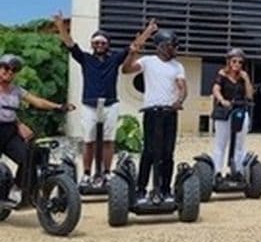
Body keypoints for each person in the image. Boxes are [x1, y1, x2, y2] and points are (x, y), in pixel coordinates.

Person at [53, 12, 156, 187]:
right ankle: (87, 174)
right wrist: (60, 25)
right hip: (90, 104)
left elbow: (134, 47)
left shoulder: (114, 58)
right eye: (96, 43)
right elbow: (70, 43)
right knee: (89, 140)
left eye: (103, 42)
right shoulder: (85, 58)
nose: (100, 45)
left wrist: (148, 31)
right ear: (92, 44)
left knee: (108, 140)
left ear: (107, 44)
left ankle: (107, 173)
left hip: (110, 103)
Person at [121, 29, 187, 204]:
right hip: (151, 112)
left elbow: (182, 87)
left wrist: (179, 100)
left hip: (169, 113)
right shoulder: (148, 61)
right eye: (173, 46)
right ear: (162, 46)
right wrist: (132, 54)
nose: (176, 49)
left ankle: (165, 189)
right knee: (149, 151)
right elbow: (126, 70)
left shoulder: (178, 66)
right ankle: (141, 190)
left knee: (167, 152)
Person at [0, 54, 75, 202]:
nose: (9, 72)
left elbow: (37, 102)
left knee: (30, 156)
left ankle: (18, 189)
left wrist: (59, 106)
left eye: (14, 70)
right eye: (6, 68)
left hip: (8, 131)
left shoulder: (16, 90)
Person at [211, 48, 254, 180]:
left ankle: (237, 171)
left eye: (240, 62)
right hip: (224, 112)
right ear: (229, 62)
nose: (237, 64)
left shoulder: (243, 78)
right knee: (221, 143)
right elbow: (216, 90)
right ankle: (217, 172)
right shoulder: (222, 75)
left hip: (240, 110)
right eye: (234, 61)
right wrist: (222, 100)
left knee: (239, 144)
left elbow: (250, 95)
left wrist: (246, 79)